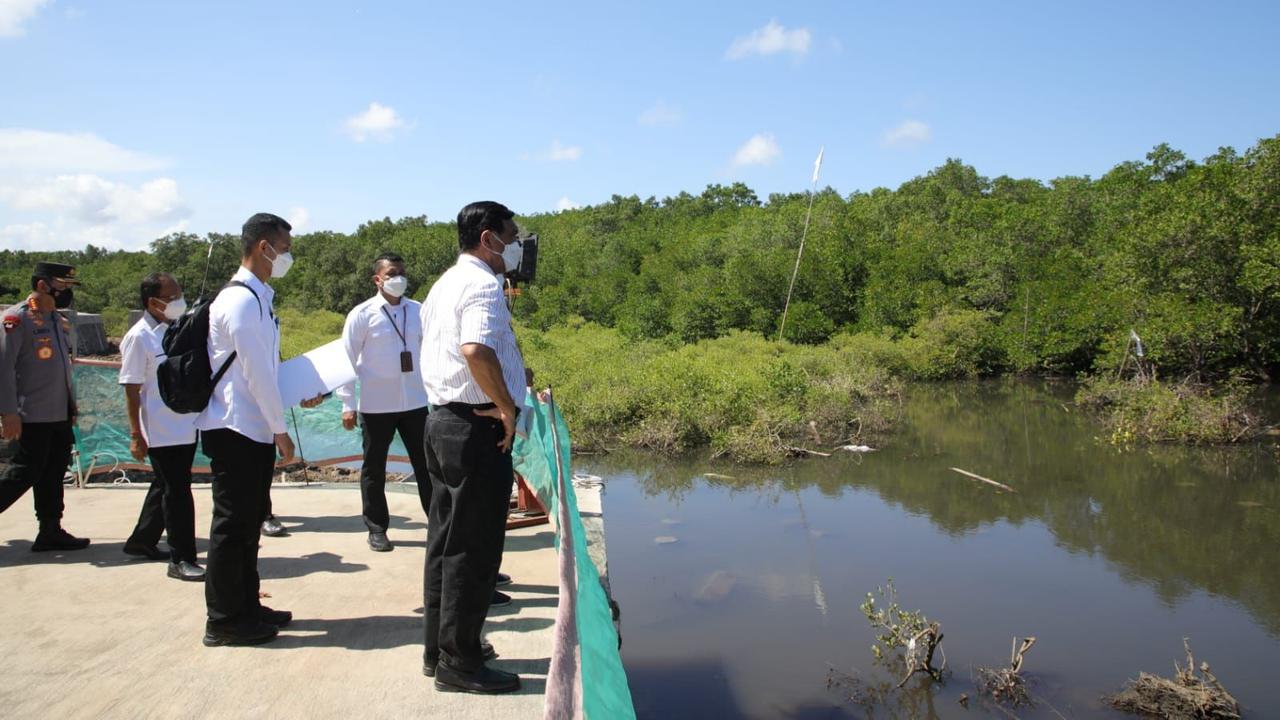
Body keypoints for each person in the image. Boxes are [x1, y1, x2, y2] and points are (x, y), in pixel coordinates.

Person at [419, 201, 529, 694]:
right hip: (474, 429)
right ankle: (460, 663)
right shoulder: (483, 284)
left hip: (443, 423)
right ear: (488, 238)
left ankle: (440, 649)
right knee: (475, 549)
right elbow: (475, 350)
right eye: (512, 236)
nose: (517, 246)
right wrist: (506, 406)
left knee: (446, 543)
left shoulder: (445, 283)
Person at [194, 212, 302, 647]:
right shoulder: (240, 301)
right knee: (231, 527)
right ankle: (223, 619)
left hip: (249, 426)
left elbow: (266, 369)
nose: (287, 258)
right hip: (235, 426)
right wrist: (280, 429)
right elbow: (256, 373)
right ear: (264, 247)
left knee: (248, 524)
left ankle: (246, 606)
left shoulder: (258, 297)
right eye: (285, 249)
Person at [335, 252, 431, 552]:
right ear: (377, 279)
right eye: (391, 274)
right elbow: (346, 360)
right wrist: (347, 404)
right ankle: (377, 528)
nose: (398, 278)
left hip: (415, 402)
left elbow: (430, 352)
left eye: (402, 272)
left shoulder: (418, 310)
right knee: (374, 470)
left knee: (428, 466)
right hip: (377, 406)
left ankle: (439, 524)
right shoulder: (362, 314)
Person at [118, 272, 205, 581]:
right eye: (172, 297)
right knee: (177, 492)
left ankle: (142, 540)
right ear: (153, 302)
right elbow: (131, 389)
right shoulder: (139, 337)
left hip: (185, 424)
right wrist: (136, 434)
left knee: (166, 484)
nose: (179, 301)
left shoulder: (177, 329)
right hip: (160, 428)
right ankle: (181, 558)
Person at [0, 262, 91, 552]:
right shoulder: (16, 319)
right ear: (43, 285)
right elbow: (4, 368)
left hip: (58, 411)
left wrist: (70, 405)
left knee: (53, 472)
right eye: (62, 285)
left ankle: (50, 529)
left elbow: (61, 368)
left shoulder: (56, 319)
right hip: (30, 413)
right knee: (23, 472)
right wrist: (8, 412)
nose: (66, 292)